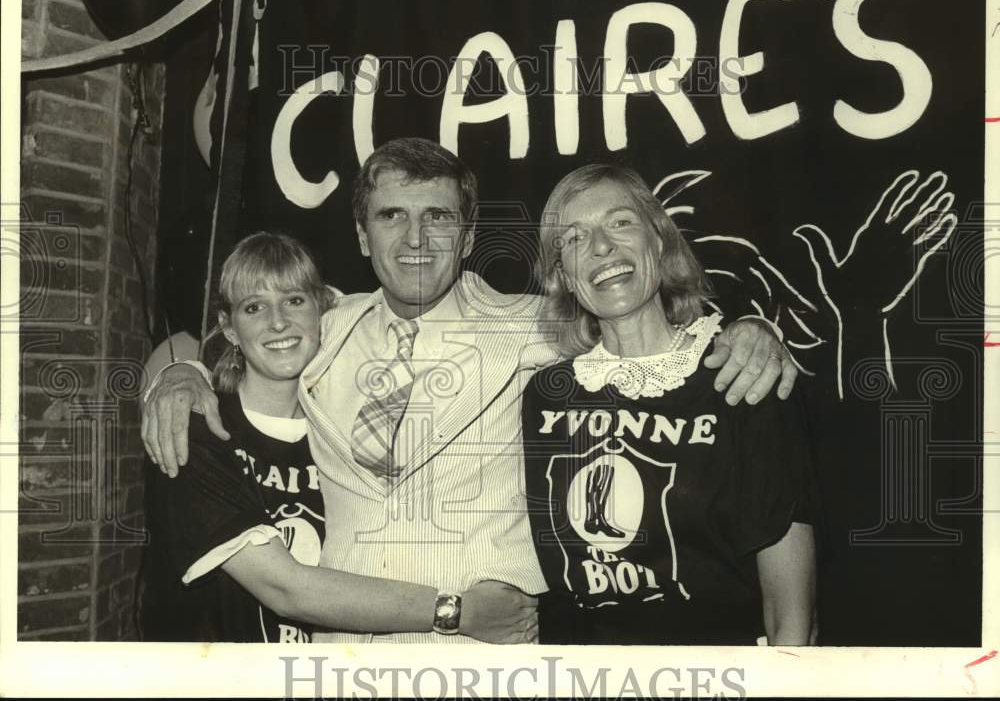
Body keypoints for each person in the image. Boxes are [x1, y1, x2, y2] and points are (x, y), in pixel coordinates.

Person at [142, 137, 798, 645]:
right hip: (344, 652)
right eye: (392, 216)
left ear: (468, 233)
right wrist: (179, 372)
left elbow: (638, 311)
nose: (416, 239)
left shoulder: (531, 326)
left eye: (438, 217)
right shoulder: (325, 325)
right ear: (363, 235)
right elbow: (243, 332)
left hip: (486, 647)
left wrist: (749, 327)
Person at [151, 231, 537, 643]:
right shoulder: (199, 432)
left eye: (295, 301)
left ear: (322, 310)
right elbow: (286, 589)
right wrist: (457, 612)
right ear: (229, 327)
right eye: (254, 307)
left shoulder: (339, 423)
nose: (278, 322)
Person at [522, 164, 817, 645]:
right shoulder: (545, 395)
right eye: (573, 239)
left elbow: (792, 617)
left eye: (620, 222)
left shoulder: (740, 374)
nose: (600, 247)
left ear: (658, 242)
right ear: (564, 278)